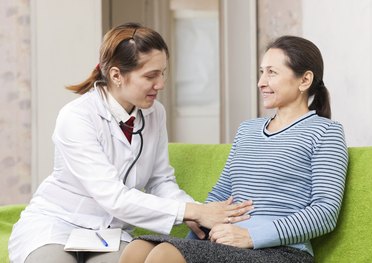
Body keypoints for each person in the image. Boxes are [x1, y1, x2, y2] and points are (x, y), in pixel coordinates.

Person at [8, 23, 253, 263]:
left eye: (162, 73)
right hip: (57, 224)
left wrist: (195, 210)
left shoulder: (155, 113)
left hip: (109, 234)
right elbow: (112, 196)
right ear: (116, 75)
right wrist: (193, 212)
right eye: (150, 76)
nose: (161, 84)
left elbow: (160, 181)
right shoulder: (77, 117)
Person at [119, 35, 349, 263]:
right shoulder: (248, 129)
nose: (261, 82)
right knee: (137, 249)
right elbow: (222, 194)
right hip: (227, 244)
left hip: (282, 251)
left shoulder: (326, 132)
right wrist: (198, 237)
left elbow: (325, 212)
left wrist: (251, 236)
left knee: (164, 255)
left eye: (272, 72)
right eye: (261, 72)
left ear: (305, 80)